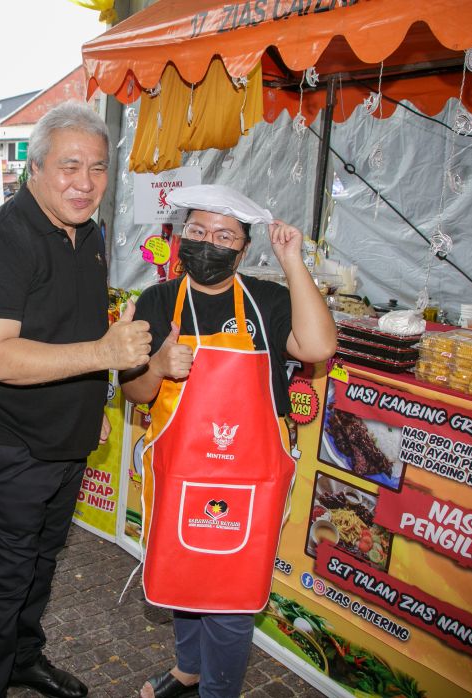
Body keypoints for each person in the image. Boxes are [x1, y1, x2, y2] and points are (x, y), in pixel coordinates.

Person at [0, 101, 152, 698]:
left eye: (97, 168)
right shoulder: (0, 242)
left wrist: (89, 413)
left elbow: (72, 329)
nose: (85, 183)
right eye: (70, 166)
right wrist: (105, 356)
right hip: (9, 447)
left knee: (42, 564)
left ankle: (23, 660)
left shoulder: (88, 233)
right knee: (6, 577)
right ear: (34, 168)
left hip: (65, 440)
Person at [118, 185, 336, 698]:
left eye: (224, 236)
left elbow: (319, 345)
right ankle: (188, 670)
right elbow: (133, 391)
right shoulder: (158, 300)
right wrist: (158, 366)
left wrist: (292, 261)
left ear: (242, 249)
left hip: (250, 479)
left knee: (232, 600)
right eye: (197, 231)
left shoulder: (267, 300)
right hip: (180, 470)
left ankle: (219, 692)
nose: (208, 243)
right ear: (181, 237)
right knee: (182, 581)